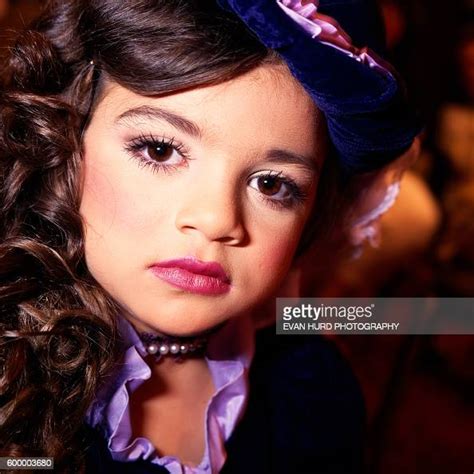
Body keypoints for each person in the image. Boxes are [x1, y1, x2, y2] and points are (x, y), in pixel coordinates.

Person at [0, 0, 419, 473]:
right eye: (160, 151)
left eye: (272, 184)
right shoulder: (12, 385)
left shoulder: (312, 395)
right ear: (64, 138)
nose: (218, 219)